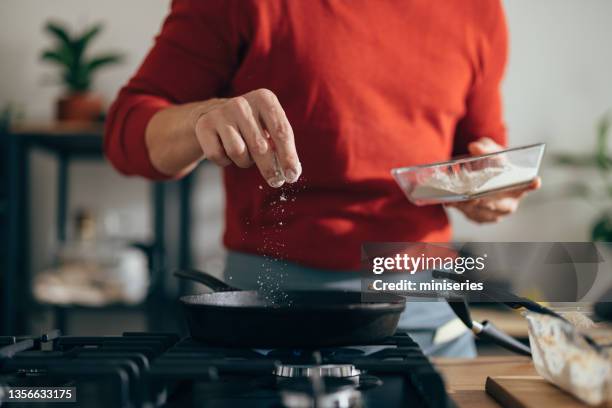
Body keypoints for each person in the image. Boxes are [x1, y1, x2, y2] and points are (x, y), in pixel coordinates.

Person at [105, 0, 540, 357]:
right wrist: (201, 118)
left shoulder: (476, 9)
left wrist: (488, 190)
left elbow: (481, 155)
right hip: (270, 310)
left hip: (421, 305)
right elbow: (126, 134)